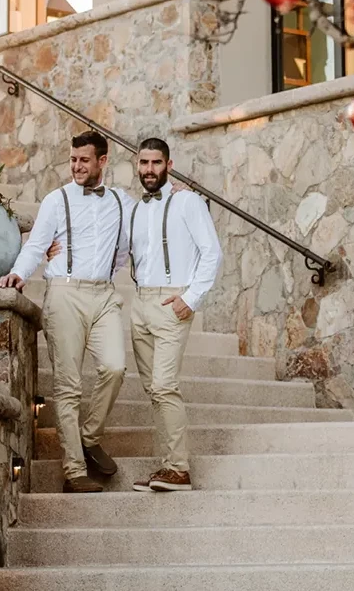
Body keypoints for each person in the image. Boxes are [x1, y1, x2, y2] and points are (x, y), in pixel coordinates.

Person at [48, 137, 222, 492]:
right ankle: (166, 466)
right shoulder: (133, 208)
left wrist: (192, 297)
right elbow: (110, 245)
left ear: (169, 166)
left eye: (156, 163)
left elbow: (212, 253)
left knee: (163, 386)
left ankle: (178, 468)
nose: (149, 170)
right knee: (153, 390)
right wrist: (56, 249)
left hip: (173, 304)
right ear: (136, 166)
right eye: (143, 163)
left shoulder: (187, 202)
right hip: (140, 307)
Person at [0, 130, 132, 494]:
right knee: (68, 387)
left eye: (84, 160)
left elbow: (126, 248)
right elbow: (37, 245)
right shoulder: (57, 200)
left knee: (115, 367)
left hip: (103, 295)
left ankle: (89, 437)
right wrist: (19, 273)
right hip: (65, 294)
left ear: (102, 161)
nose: (76, 166)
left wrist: (174, 194)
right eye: (73, 159)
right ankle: (74, 472)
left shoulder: (122, 201)